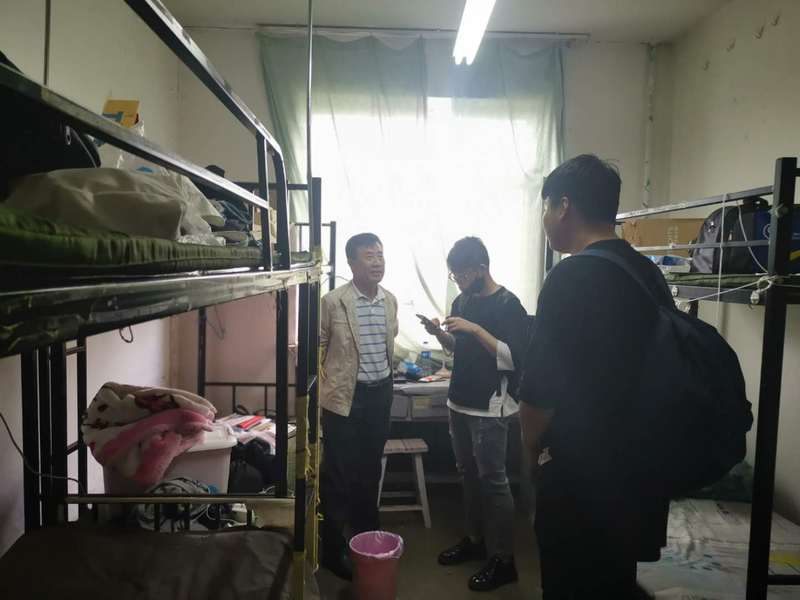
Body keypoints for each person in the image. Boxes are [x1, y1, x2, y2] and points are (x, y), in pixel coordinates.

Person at [518, 154, 671, 599]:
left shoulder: (570, 276)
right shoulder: (647, 273)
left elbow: (539, 392)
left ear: (564, 206)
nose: (545, 219)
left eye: (546, 207)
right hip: (640, 471)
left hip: (580, 478)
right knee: (614, 583)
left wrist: (531, 455)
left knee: (569, 585)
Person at [422, 236, 528, 592]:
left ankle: (505, 561)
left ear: (482, 268)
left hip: (489, 406)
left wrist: (475, 328)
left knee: (493, 481)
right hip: (459, 400)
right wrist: (439, 334)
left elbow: (513, 358)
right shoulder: (462, 300)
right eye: (454, 275)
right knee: (467, 475)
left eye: (463, 274)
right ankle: (475, 540)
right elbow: (459, 348)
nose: (459, 281)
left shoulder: (509, 305)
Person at [319, 232, 399, 580]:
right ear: (352, 263)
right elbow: (319, 346)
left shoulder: (389, 301)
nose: (377, 262)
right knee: (338, 474)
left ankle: (367, 537)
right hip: (344, 398)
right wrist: (324, 388)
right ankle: (333, 548)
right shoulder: (333, 302)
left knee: (370, 471)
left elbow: (388, 343)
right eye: (369, 256)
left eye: (380, 255)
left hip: (379, 395)